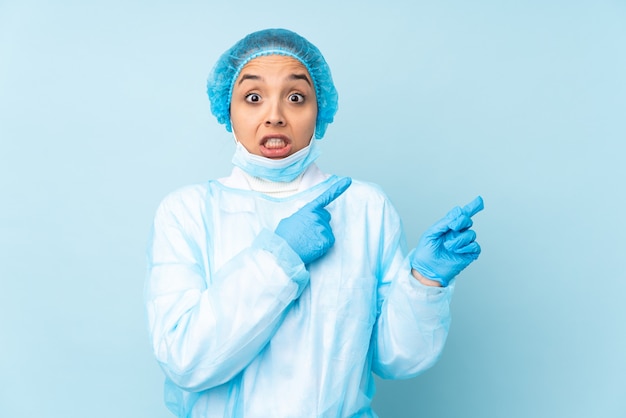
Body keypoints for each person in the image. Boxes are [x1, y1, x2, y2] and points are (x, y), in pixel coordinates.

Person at [145, 28, 484, 418]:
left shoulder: (363, 207)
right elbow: (186, 359)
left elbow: (396, 359)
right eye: (253, 98)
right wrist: (278, 259)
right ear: (228, 110)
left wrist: (425, 282)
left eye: (295, 97)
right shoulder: (187, 212)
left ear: (319, 109)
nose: (275, 116)